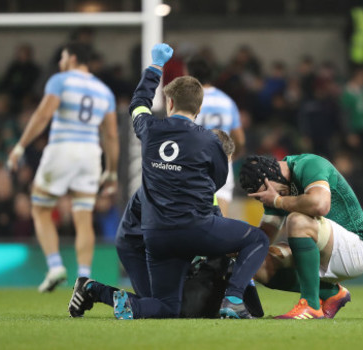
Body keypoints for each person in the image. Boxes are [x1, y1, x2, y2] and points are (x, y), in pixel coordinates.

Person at [69, 43, 267, 320]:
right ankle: (232, 299)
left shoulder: (149, 129)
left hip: (157, 237)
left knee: (166, 307)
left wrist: (155, 67)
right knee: (257, 239)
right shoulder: (210, 141)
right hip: (195, 228)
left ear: (170, 103)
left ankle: (108, 294)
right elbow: (218, 180)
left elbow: (138, 104)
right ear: (198, 108)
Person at [68, 129, 263, 318]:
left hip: (157, 243)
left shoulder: (193, 179)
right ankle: (99, 292)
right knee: (166, 306)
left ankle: (94, 290)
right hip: (137, 244)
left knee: (162, 306)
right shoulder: (184, 181)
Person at [7, 42, 119, 293]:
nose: (60, 62)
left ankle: (55, 265)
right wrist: (111, 171)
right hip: (90, 153)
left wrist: (20, 146)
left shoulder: (61, 80)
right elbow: (111, 135)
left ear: (73, 58)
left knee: (39, 207)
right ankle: (84, 279)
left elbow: (44, 114)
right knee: (83, 218)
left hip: (62, 147)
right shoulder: (104, 91)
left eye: (63, 57)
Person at [239, 154, 363, 319]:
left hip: (357, 248)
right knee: (257, 261)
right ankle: (331, 293)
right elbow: (263, 237)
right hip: (323, 249)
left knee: (297, 220)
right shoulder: (277, 191)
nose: (268, 198)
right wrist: (237, 247)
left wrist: (277, 200)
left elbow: (320, 205)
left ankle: (310, 305)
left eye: (266, 193)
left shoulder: (309, 165)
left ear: (270, 174)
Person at [187, 56, 245, 217]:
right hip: (222, 161)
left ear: (189, 75)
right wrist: (233, 154)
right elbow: (239, 139)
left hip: (194, 163)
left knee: (192, 218)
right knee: (221, 217)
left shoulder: (188, 101)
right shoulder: (227, 102)